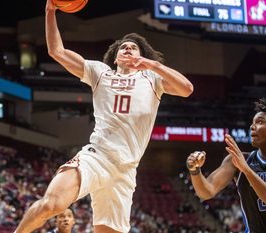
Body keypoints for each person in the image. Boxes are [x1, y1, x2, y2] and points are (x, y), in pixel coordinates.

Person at [14, 0, 194, 232]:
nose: (127, 49)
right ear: (116, 57)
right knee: (52, 204)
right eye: (123, 48)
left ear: (142, 57)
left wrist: (153, 65)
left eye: (133, 48)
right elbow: (56, 51)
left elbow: (187, 89)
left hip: (126, 169)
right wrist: (50, 11)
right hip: (97, 156)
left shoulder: (152, 79)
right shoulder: (100, 72)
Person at [186, 98, 266, 233]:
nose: (252, 126)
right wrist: (195, 171)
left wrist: (246, 170)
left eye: (259, 122)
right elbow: (206, 192)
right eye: (252, 123)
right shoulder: (238, 160)